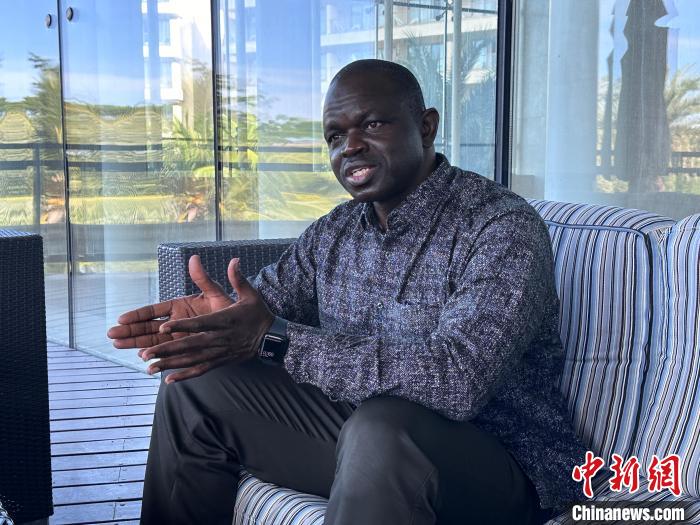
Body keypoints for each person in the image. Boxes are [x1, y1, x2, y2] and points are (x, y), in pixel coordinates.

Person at [108, 59, 585, 525]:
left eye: (372, 124)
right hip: (365, 441)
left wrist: (277, 340)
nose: (350, 146)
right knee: (195, 385)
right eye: (335, 136)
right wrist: (220, 323)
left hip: (502, 467)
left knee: (382, 429)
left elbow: (459, 380)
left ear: (426, 127)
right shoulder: (336, 231)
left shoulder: (500, 226)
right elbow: (264, 308)